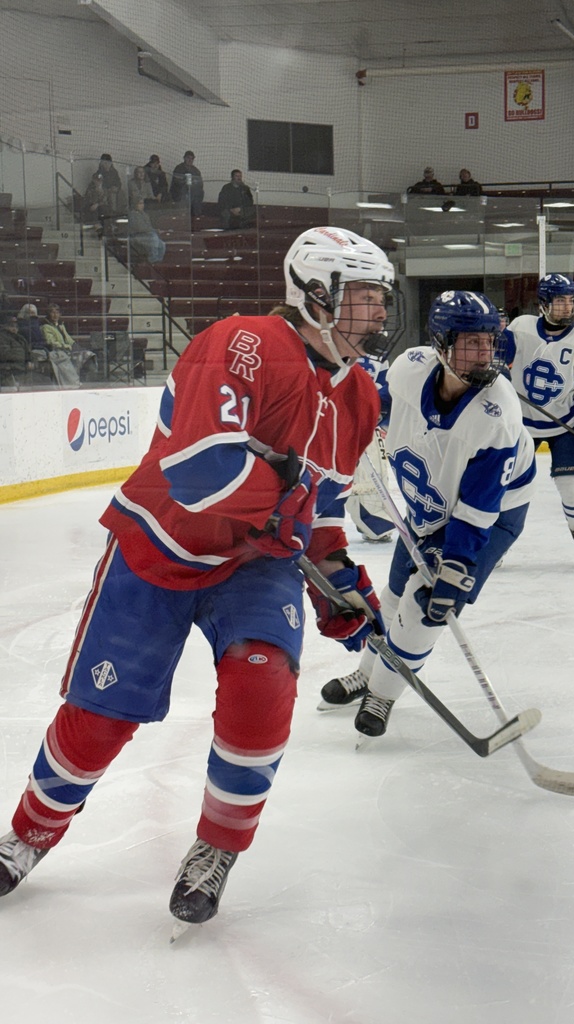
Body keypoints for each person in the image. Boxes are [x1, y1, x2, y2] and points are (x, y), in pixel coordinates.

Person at [0, 226, 406, 932]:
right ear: (314, 295)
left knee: (264, 682)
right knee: (101, 716)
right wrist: (284, 514)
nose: (375, 313)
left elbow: (324, 511)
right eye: (360, 298)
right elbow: (196, 471)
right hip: (160, 544)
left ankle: (215, 850)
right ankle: (27, 835)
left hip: (255, 566)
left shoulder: (361, 397)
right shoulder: (242, 342)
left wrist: (337, 582)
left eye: (378, 299)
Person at [318, 290, 536, 739]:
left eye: (488, 342)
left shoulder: (497, 415)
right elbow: (370, 406)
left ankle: (383, 693)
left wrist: (456, 565)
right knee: (396, 594)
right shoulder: (410, 369)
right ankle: (368, 673)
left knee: (426, 605)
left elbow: (477, 509)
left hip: (489, 517)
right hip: (430, 504)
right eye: (471, 343)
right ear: (441, 344)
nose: (483, 354)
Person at [505, 274, 574, 563]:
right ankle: (497, 539)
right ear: (543, 304)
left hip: (565, 423)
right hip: (522, 424)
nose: (567, 307)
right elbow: (498, 363)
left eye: (571, 301)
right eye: (560, 301)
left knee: (572, 483)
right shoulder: (520, 328)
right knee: (507, 483)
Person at [345, 354, 394, 543]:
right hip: (324, 418)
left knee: (371, 473)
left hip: (366, 421)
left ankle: (376, 521)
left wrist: (380, 417)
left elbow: (385, 384)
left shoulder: (377, 348)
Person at [41, 303, 97, 386]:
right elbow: (51, 342)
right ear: (49, 314)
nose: (55, 315)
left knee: (89, 355)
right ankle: (78, 381)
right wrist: (66, 346)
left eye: (57, 312)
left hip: (68, 349)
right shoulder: (46, 327)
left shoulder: (60, 325)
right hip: (59, 351)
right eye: (52, 312)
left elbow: (68, 339)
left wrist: (76, 346)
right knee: (81, 356)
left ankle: (87, 379)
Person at [0, 312, 51, 388]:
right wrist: (25, 359)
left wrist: (31, 361)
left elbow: (29, 352)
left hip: (23, 369)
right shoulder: (2, 337)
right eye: (11, 326)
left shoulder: (20, 338)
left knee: (47, 380)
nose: (14, 329)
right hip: (10, 371)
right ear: (5, 326)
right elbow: (5, 354)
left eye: (16, 326)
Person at [127, 198, 166, 264]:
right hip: (137, 235)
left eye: (143, 203)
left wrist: (155, 230)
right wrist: (154, 231)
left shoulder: (145, 214)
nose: (142, 205)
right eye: (140, 203)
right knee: (153, 238)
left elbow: (148, 227)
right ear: (135, 205)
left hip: (147, 234)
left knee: (162, 244)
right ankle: (153, 259)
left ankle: (158, 261)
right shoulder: (132, 215)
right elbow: (140, 228)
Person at [170, 150, 204, 218]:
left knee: (200, 192)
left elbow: (200, 184)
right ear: (184, 158)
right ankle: (182, 214)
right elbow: (176, 181)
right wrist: (185, 182)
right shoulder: (179, 168)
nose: (190, 160)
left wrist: (194, 184)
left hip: (192, 192)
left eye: (192, 158)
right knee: (184, 191)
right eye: (188, 158)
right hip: (179, 191)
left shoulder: (196, 171)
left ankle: (197, 214)